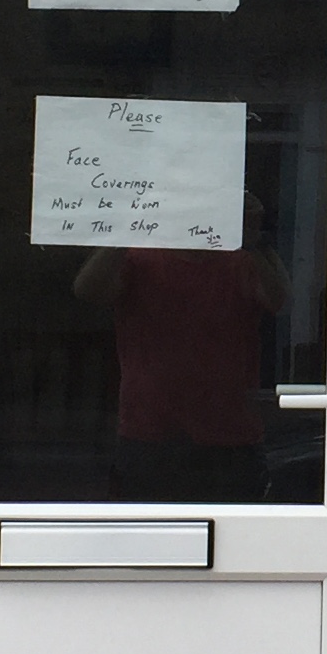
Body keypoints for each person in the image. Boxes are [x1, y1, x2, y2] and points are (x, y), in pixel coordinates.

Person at [72, 192, 293, 501]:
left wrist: (252, 238)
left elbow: (279, 300)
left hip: (228, 433)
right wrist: (128, 227)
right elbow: (87, 290)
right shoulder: (140, 256)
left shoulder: (241, 260)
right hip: (151, 430)